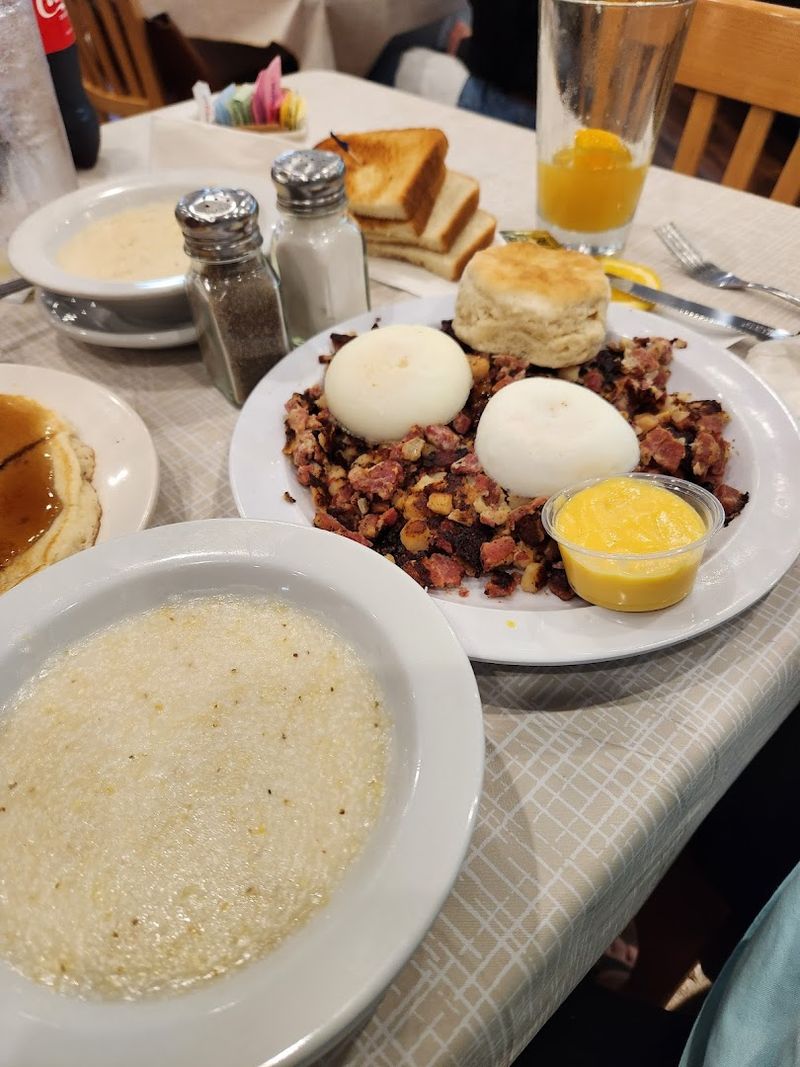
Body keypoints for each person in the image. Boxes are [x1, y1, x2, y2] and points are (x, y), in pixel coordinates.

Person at [369, 0, 538, 129]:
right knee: (452, 20)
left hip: (534, 114)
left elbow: (500, 64)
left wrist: (462, 48)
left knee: (402, 66)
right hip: (540, 88)